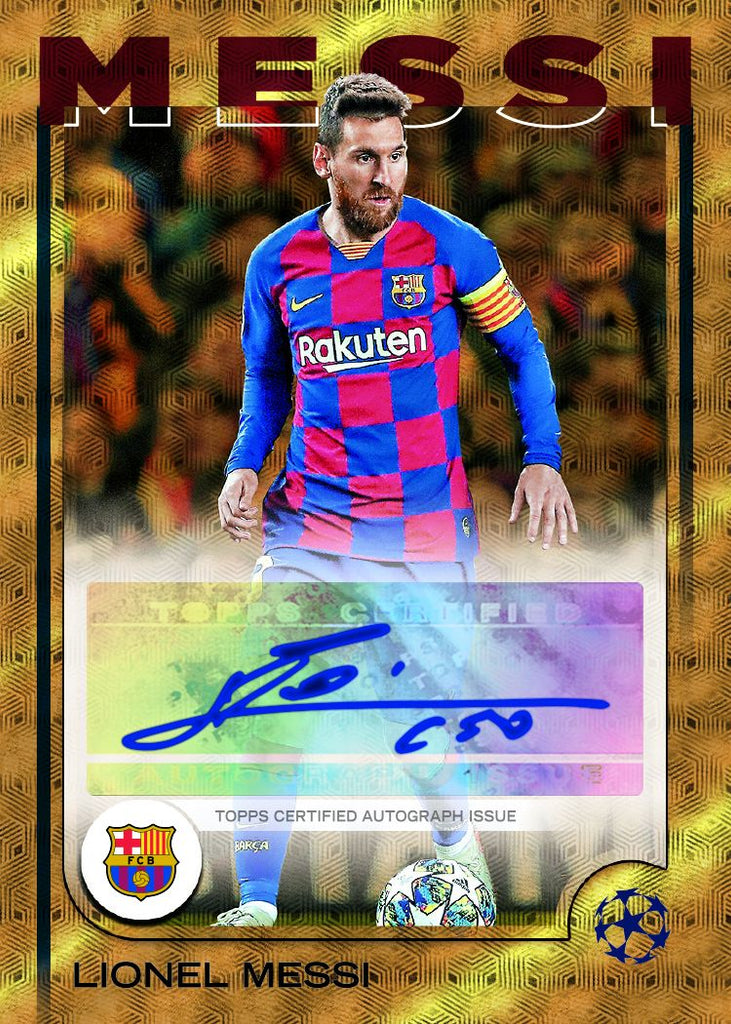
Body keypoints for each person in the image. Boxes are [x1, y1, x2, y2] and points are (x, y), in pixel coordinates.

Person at [214, 74, 577, 927]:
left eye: (397, 156)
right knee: (266, 706)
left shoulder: (453, 247)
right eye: (364, 158)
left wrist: (543, 459)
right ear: (322, 161)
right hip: (310, 526)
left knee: (421, 731)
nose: (385, 176)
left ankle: (462, 859)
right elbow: (266, 378)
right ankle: (256, 907)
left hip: (423, 532)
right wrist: (242, 464)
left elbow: (523, 350)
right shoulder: (276, 263)